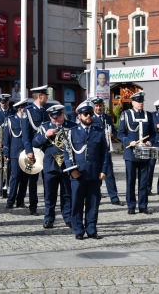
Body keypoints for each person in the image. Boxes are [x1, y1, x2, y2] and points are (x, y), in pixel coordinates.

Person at [64, 100, 108, 240]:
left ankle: (91, 229)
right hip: (78, 174)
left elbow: (105, 154)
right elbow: (67, 153)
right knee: (77, 203)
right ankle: (78, 230)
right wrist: (71, 170)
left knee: (93, 204)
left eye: (90, 114)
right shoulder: (71, 133)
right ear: (79, 116)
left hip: (94, 174)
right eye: (85, 114)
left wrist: (103, 170)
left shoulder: (99, 132)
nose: (88, 116)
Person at [32, 104, 77, 229]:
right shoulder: (44, 127)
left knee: (67, 193)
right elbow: (34, 143)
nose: (56, 120)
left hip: (67, 164)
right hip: (50, 164)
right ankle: (49, 218)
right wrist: (45, 135)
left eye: (58, 117)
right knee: (49, 194)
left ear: (63, 114)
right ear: (49, 116)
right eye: (53, 117)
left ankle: (68, 218)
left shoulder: (72, 126)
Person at [118, 91, 155, 215]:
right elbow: (121, 133)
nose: (140, 104)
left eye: (142, 101)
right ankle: (131, 205)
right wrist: (129, 141)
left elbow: (153, 133)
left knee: (144, 181)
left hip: (144, 153)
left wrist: (150, 141)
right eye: (138, 102)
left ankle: (143, 205)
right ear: (132, 102)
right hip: (131, 153)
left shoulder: (148, 115)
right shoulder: (126, 114)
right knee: (131, 180)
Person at [90, 96, 124, 206]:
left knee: (109, 174)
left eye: (100, 106)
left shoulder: (107, 118)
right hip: (95, 150)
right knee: (96, 174)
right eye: (97, 106)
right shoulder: (90, 118)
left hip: (106, 149)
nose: (99, 108)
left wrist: (112, 134)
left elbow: (113, 130)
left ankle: (114, 198)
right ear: (94, 107)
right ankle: (96, 196)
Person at [21, 85, 50, 216]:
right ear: (40, 96)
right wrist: (29, 151)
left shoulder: (46, 111)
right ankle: (33, 206)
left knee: (48, 179)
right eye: (46, 95)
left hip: (47, 149)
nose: (47, 97)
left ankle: (49, 205)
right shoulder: (28, 111)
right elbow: (26, 135)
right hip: (35, 149)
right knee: (33, 180)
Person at [3, 99, 29, 209]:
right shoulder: (10, 120)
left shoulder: (27, 120)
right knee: (15, 177)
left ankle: (20, 200)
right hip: (14, 152)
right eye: (25, 109)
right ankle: (10, 200)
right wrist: (6, 152)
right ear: (20, 109)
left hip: (26, 152)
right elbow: (6, 138)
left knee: (25, 178)